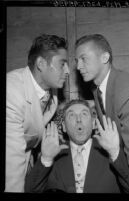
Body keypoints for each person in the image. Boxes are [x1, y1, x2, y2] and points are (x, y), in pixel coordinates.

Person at [75, 34, 129, 193]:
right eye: (77, 60)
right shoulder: (98, 89)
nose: (78, 66)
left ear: (105, 57)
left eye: (83, 59)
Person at [6, 34, 69, 192]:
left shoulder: (51, 90)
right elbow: (12, 161)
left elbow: (35, 123)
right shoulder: (12, 91)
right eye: (62, 64)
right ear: (41, 63)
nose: (67, 71)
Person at [25, 99, 129, 193]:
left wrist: (115, 152)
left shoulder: (109, 150)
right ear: (64, 127)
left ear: (94, 123)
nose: (78, 119)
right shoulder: (53, 153)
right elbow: (30, 190)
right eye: (71, 115)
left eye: (84, 114)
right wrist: (46, 159)